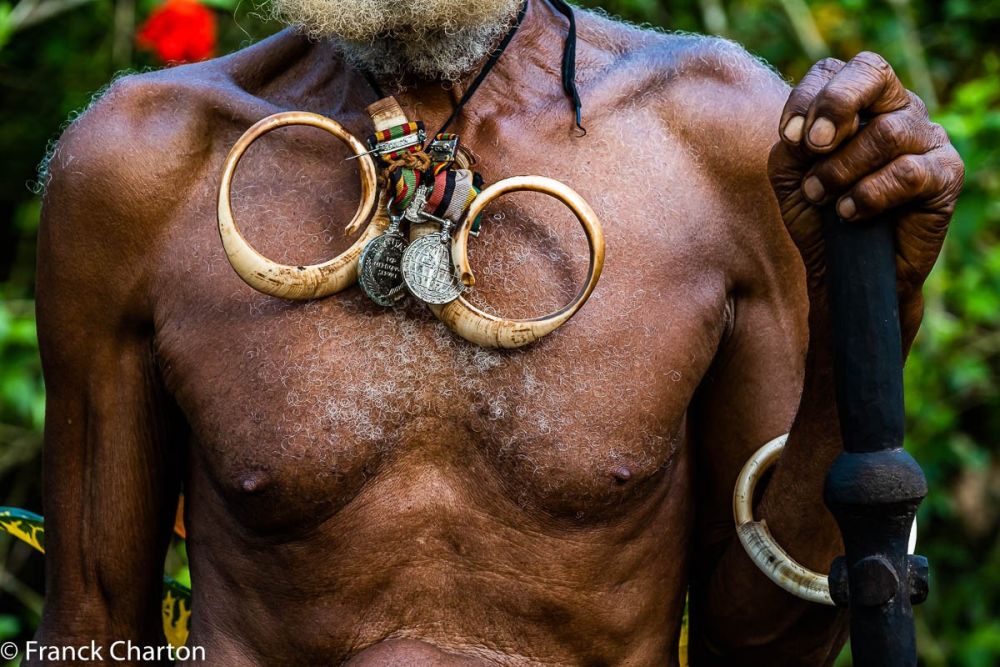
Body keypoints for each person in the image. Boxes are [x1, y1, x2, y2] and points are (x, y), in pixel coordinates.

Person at [29, 0, 964, 664]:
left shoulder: (714, 141)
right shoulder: (144, 165)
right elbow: (91, 632)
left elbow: (767, 643)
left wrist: (867, 330)